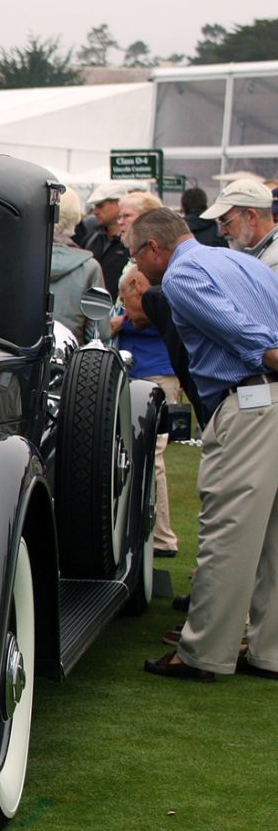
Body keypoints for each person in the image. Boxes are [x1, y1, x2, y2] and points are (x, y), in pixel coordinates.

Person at [129, 207, 278, 682]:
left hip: (251, 400)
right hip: (265, 396)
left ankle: (202, 654)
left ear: (154, 248)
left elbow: (241, 334)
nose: (134, 265)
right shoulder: (246, 262)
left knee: (227, 535)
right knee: (275, 537)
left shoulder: (181, 277)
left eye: (134, 254)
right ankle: (269, 652)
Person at [115, 268, 181, 557]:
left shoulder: (161, 294)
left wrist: (122, 323)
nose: (126, 305)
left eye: (127, 298)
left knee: (152, 457)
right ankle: (145, 532)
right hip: (140, 375)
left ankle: (163, 537)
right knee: (139, 456)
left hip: (158, 376)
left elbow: (151, 320)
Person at [48, 188, 105, 343]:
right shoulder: (90, 267)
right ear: (76, 217)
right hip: (70, 359)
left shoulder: (20, 262)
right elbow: (98, 333)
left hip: (21, 359)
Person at [200, 178, 278, 273]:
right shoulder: (263, 254)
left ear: (251, 217)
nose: (223, 231)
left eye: (226, 222)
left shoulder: (273, 264)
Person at [82, 182, 130, 298]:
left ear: (119, 204)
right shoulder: (91, 239)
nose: (95, 212)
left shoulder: (133, 244)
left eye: (100, 206)